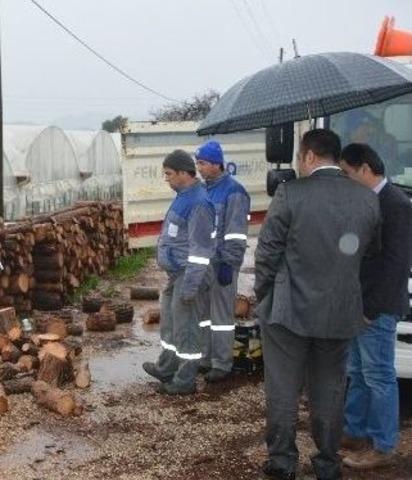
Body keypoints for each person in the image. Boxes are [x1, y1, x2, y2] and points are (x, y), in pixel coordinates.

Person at [255, 129, 381, 480]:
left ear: (309, 156)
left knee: (283, 389)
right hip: (339, 313)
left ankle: (282, 463)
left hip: (288, 312)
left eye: (299, 156)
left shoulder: (290, 193)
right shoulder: (367, 198)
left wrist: (264, 295)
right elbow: (371, 255)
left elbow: (267, 253)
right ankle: (327, 463)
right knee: (330, 390)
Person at [338, 143, 412, 470]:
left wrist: (372, 308)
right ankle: (355, 432)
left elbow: (396, 264)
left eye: (347, 173)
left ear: (366, 169)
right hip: (359, 303)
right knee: (357, 371)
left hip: (376, 308)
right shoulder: (368, 201)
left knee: (379, 375)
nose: (345, 180)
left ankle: (383, 445)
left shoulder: (395, 204)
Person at [142, 150, 215, 395]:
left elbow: (200, 250)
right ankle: (167, 366)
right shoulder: (184, 196)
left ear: (184, 173)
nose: (167, 179)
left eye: (169, 174)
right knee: (171, 322)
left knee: (186, 328)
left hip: (188, 274)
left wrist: (191, 285)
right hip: (177, 274)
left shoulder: (199, 203)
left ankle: (185, 380)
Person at [194, 140, 251, 383]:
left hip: (222, 264)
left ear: (217, 164)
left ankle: (221, 363)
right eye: (197, 163)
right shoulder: (203, 190)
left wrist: (229, 263)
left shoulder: (234, 192)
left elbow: (236, 233)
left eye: (203, 163)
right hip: (203, 265)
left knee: (221, 318)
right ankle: (205, 358)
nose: (199, 167)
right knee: (204, 315)